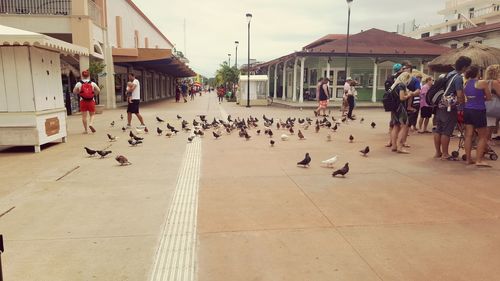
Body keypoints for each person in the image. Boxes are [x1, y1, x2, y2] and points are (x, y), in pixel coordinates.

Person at [434, 56, 471, 160]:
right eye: (468, 67)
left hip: (440, 104)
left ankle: (438, 152)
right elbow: (459, 94)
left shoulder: (449, 74)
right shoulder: (458, 77)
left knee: (438, 129)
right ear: (464, 67)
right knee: (447, 131)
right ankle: (445, 154)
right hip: (449, 106)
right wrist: (462, 105)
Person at [462, 65, 493, 166]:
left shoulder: (466, 83)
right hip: (478, 110)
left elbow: (467, 97)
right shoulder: (482, 82)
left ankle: (468, 159)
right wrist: (481, 98)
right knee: (482, 136)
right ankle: (479, 160)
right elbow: (489, 97)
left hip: (468, 109)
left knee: (468, 135)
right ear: (478, 73)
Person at [390, 72, 415, 154]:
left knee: (396, 126)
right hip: (400, 108)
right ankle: (400, 147)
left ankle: (394, 146)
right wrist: (409, 95)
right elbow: (402, 97)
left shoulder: (394, 85)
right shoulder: (401, 85)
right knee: (404, 125)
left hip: (394, 108)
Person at [73, 70, 100, 134]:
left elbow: (74, 91)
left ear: (82, 76)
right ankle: (90, 124)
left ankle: (85, 130)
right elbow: (98, 90)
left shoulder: (79, 83)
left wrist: (79, 92)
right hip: (91, 100)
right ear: (89, 76)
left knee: (84, 116)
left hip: (83, 101)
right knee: (92, 114)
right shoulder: (92, 83)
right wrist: (94, 94)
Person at [385, 63, 404, 147]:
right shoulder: (402, 77)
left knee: (392, 122)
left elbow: (387, 90)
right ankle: (396, 143)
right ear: (401, 69)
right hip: (400, 102)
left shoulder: (390, 77)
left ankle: (390, 141)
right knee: (400, 124)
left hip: (391, 103)